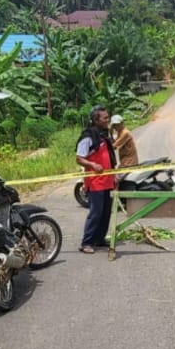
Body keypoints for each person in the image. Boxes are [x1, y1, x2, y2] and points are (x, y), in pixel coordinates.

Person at [75, 105, 117, 254]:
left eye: (108, 117)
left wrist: (114, 177)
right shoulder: (88, 137)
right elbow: (79, 158)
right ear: (96, 120)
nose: (107, 120)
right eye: (105, 118)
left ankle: (99, 239)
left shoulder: (104, 135)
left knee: (106, 212)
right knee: (95, 213)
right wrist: (92, 164)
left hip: (108, 182)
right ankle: (86, 242)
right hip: (95, 183)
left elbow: (109, 158)